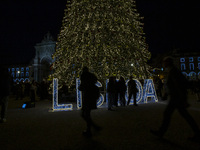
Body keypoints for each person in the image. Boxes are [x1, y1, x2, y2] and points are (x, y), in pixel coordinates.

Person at [150, 57, 200, 142]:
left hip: (176, 98)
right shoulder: (172, 71)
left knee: (169, 114)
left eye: (164, 62)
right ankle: (161, 132)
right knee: (183, 115)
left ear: (167, 63)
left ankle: (161, 132)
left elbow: (178, 85)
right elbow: (172, 85)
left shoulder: (173, 71)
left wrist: (183, 99)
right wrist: (166, 94)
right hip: (175, 98)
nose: (163, 64)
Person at [79, 66, 101, 137]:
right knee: (87, 113)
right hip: (92, 97)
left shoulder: (83, 76)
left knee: (84, 114)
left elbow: (81, 87)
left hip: (87, 97)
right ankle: (91, 129)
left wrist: (81, 87)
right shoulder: (92, 76)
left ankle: (93, 128)